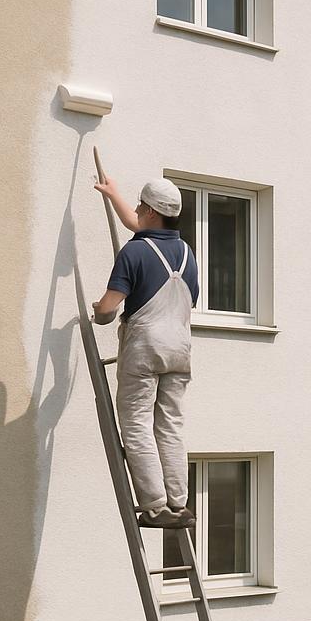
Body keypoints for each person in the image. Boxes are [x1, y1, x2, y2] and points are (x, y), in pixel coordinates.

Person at [92, 175, 199, 529]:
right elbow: (138, 225)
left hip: (144, 348)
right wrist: (113, 195)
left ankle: (154, 506)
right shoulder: (187, 254)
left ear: (152, 211)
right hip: (179, 350)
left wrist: (97, 309)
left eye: (141, 205)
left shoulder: (134, 251)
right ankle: (178, 503)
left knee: (137, 424)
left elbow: (108, 311)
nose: (136, 210)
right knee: (170, 427)